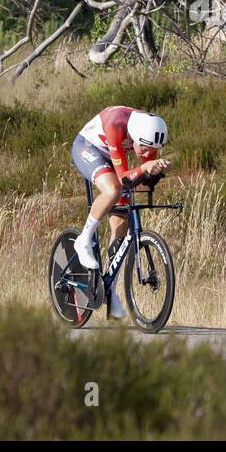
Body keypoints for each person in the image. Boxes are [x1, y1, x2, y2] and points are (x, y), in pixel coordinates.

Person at [69, 106, 171, 319]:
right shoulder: (116, 124)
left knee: (121, 224)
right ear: (136, 135)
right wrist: (144, 168)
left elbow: (140, 184)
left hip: (113, 158)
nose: (145, 153)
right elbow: (125, 178)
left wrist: (156, 171)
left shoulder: (148, 136)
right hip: (88, 148)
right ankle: (83, 240)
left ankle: (110, 291)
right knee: (113, 189)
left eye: (151, 150)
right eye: (143, 148)